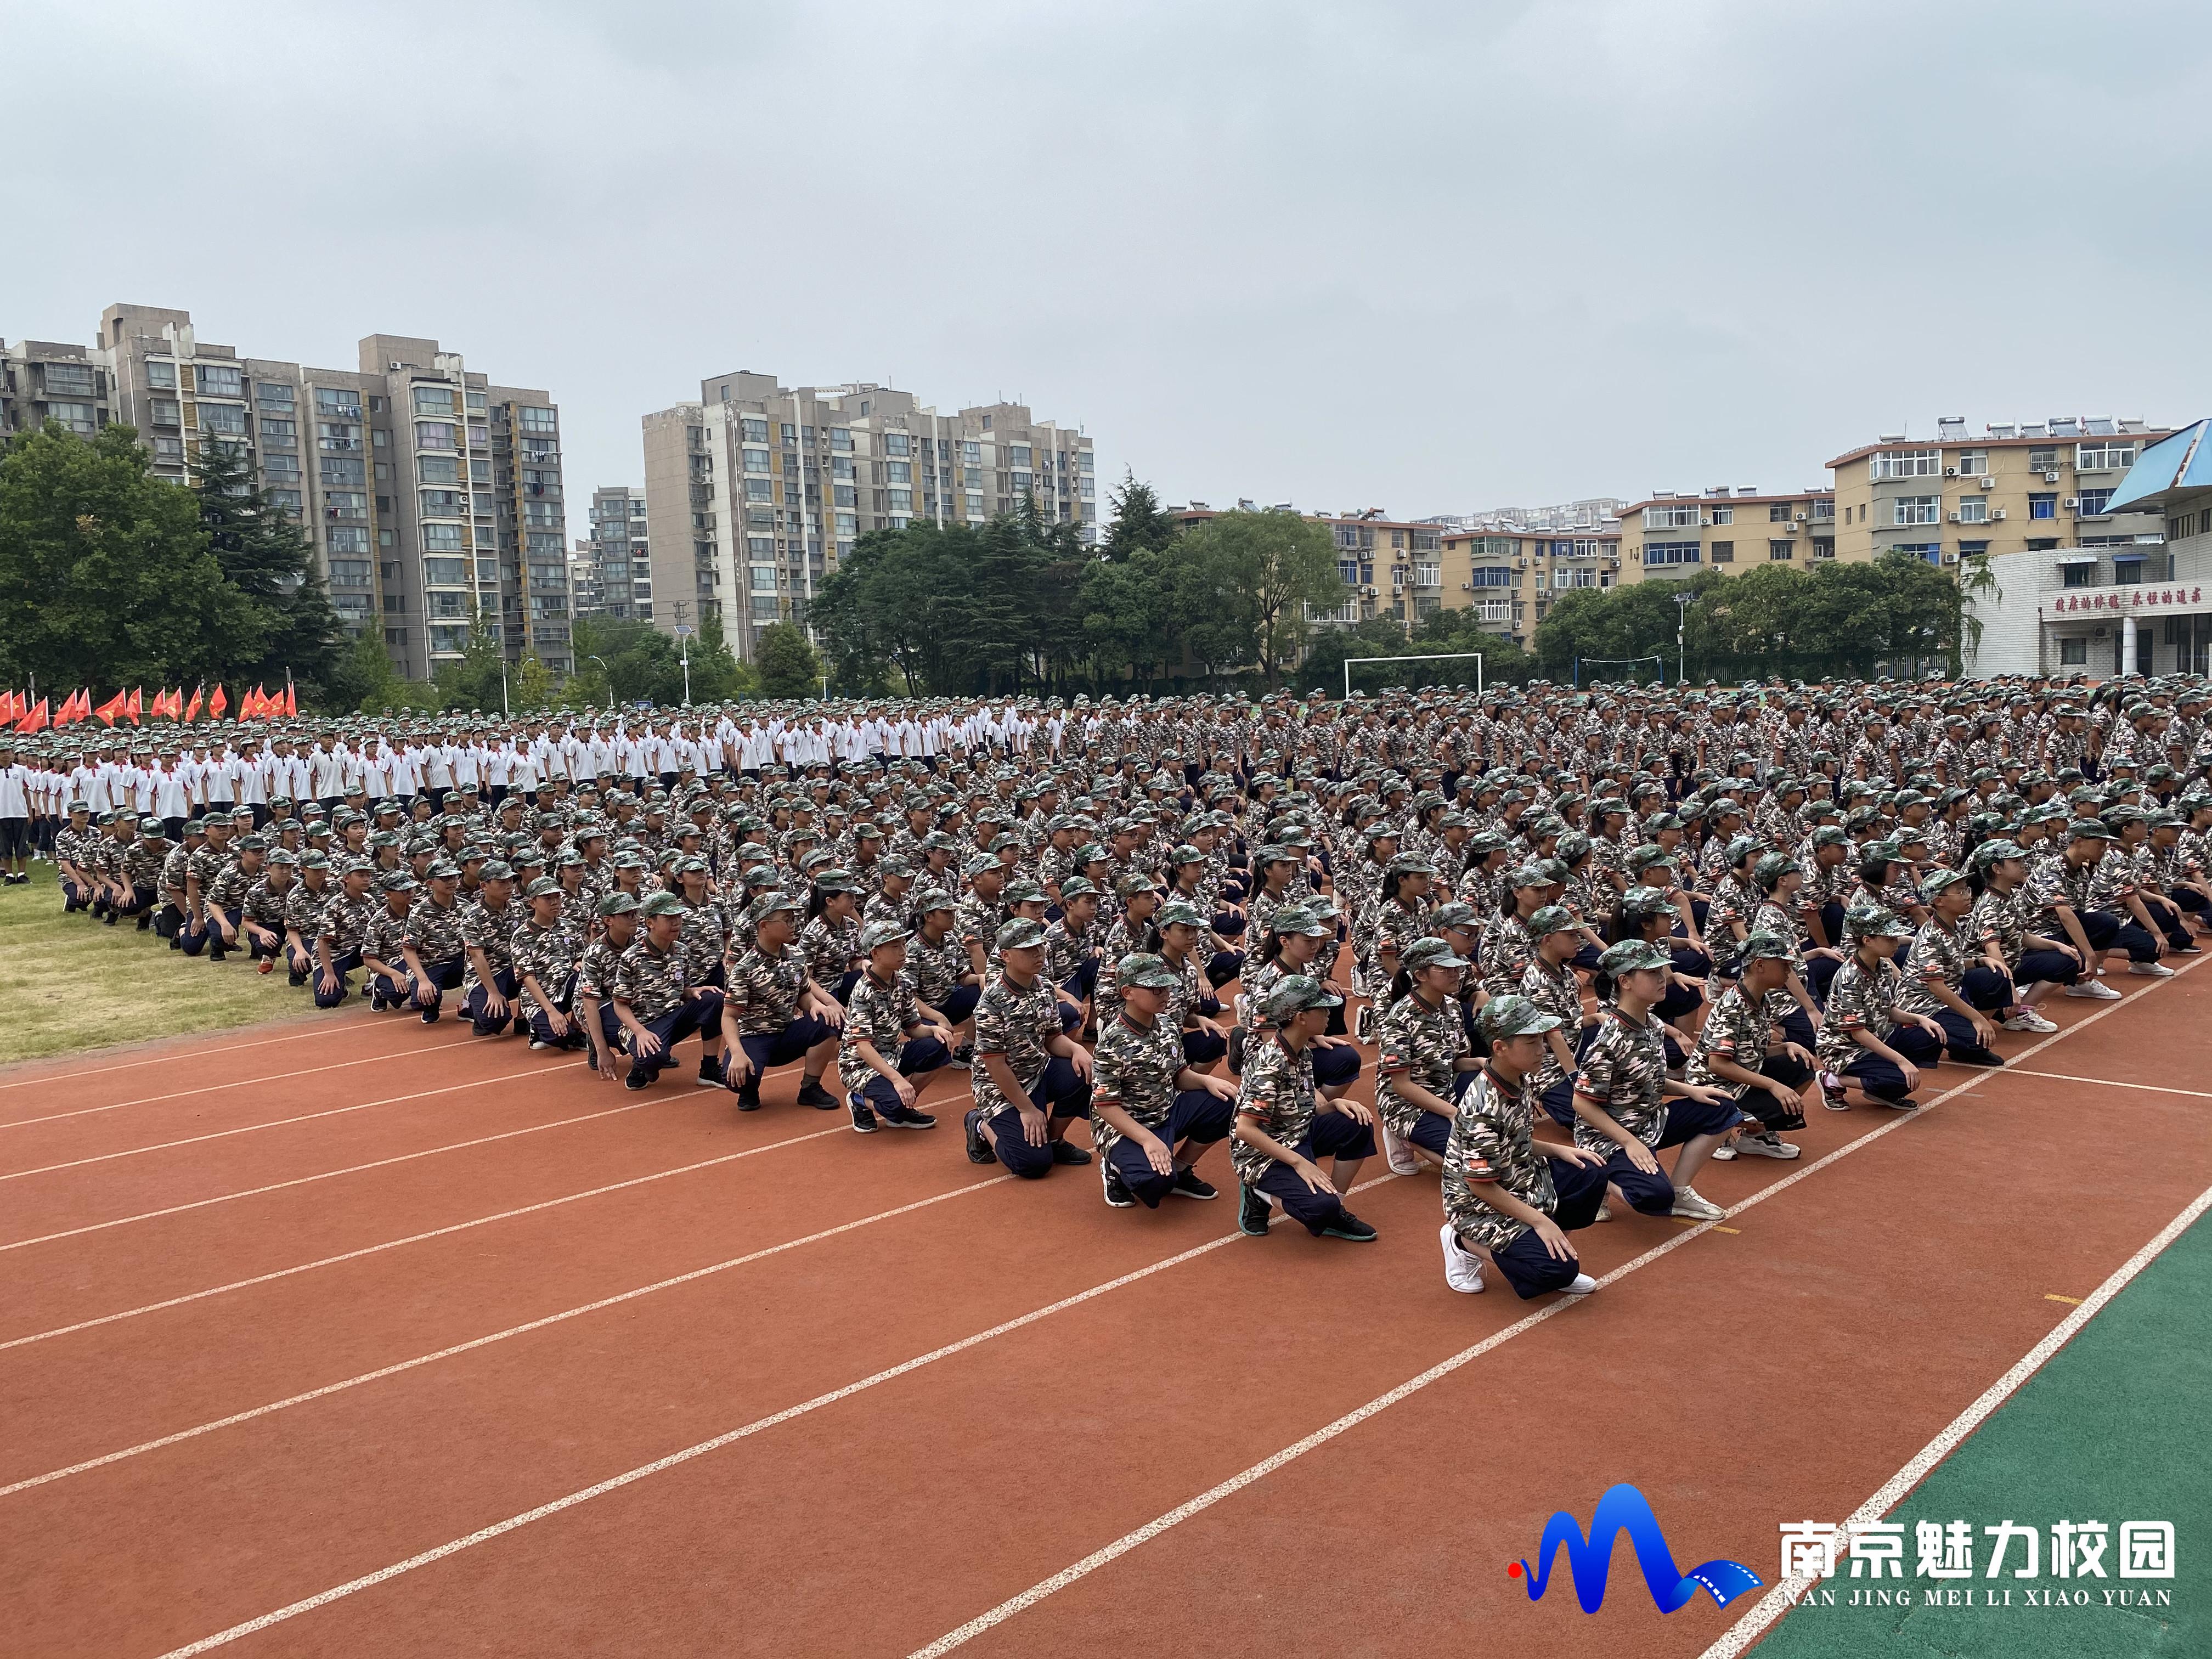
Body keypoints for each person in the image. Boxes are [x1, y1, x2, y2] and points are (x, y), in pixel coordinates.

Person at [1439, 994, 1609, 1297]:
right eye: (1531, 1042)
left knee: (1590, 1169)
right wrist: (1540, 1221)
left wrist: (1559, 1150)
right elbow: (1480, 1187)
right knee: (1557, 1272)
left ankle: (1552, 1245)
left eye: (1542, 1040)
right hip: (1479, 1205)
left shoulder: (1517, 1076)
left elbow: (1517, 1141)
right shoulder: (1483, 1107)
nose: (1542, 1050)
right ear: (1500, 1048)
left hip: (1520, 1178)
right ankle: (1462, 1243)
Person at [1570, 939, 1742, 1223]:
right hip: (1610, 1138)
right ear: (1625, 981)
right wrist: (1629, 1143)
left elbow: (1650, 1078)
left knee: (1721, 1106)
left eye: (1661, 972)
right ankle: (1595, 1176)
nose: (1662, 980)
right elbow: (1581, 1103)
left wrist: (1691, 1090)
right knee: (1654, 1198)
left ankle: (1682, 1189)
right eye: (1652, 973)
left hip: (1649, 1122)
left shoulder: (1651, 1023)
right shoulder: (1609, 1040)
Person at [1231, 974, 1379, 1242]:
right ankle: (1256, 1192)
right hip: (1261, 1154)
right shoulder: (1271, 1064)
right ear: (1300, 1017)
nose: (1328, 1013)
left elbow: (1298, 1108)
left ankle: (1336, 1208)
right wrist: (1300, 1163)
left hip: (1298, 1134)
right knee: (1320, 1208)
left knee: (1358, 1123)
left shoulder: (1302, 1051)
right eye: (1322, 1008)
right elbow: (1245, 1129)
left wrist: (1334, 1104)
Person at [1089, 952, 1240, 1207]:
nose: (1165, 994)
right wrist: (1147, 1139)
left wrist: (1206, 1082)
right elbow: (1106, 1106)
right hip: (1126, 1126)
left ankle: (1181, 1169)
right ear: (1128, 992)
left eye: (1166, 987)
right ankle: (1114, 1166)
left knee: (1226, 1101)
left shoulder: (1167, 1025)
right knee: (1156, 1183)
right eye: (1155, 989)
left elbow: (1179, 1075)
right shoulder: (1112, 1041)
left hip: (1165, 1112)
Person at [963, 917, 1097, 1177]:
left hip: (1038, 1071)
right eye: (1028, 950)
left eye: (1039, 947)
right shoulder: (991, 1002)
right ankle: (979, 1124)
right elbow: (995, 1065)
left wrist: (1076, 1050)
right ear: (1006, 956)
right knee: (1032, 1165)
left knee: (1086, 1072)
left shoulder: (1044, 988)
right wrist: (1026, 1108)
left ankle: (1054, 1139)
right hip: (1000, 1086)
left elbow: (1052, 1038)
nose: (1038, 954)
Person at [1683, 932, 1810, 1161]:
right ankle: (1714, 1127)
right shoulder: (1733, 1006)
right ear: (1760, 965)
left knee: (1801, 1064)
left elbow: (1753, 1052)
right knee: (1779, 1099)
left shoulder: (1762, 999)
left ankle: (1755, 1135)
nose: (1789, 971)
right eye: (1783, 964)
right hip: (1716, 1085)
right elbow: (1718, 1064)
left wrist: (1787, 1046)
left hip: (1741, 1079)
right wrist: (1773, 1086)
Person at [1815, 905, 1948, 1110]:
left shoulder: (1882, 966)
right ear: (1867, 941)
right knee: (1903, 1079)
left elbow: (1887, 1010)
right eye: (1890, 939)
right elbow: (1857, 1033)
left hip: (1879, 1036)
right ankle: (1833, 1080)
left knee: (1933, 1035)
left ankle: (1883, 1083)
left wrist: (1919, 1019)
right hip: (1846, 1049)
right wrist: (1901, 1061)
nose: (1896, 944)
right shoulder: (1850, 977)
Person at [721, 891, 845, 1109]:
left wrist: (816, 1005)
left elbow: (804, 993)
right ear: (764, 926)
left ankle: (810, 1088)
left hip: (787, 1033)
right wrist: (738, 1053)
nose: (793, 924)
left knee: (830, 1021)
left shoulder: (796, 955)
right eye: (786, 920)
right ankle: (749, 1090)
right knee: (738, 1079)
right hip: (755, 1037)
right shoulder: (744, 969)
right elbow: (729, 1017)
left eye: (794, 918)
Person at [1374, 935, 1482, 1175]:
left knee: (1489, 1143)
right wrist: (1452, 1112)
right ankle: (1405, 1137)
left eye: (1455, 967)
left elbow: (1456, 1062)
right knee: (1468, 1160)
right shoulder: (1399, 1019)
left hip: (1445, 1091)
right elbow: (1401, 1086)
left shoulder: (1452, 1009)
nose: (1455, 973)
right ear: (1421, 976)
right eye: (1445, 969)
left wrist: (1482, 1063)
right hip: (1406, 1104)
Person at [836, 918, 953, 1132]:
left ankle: (903, 1106)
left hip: (892, 1054)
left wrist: (934, 1030)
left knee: (940, 1046)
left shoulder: (903, 983)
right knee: (893, 1104)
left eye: (903, 945)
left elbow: (913, 1028)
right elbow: (862, 1047)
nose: (902, 951)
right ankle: (859, 1100)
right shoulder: (864, 991)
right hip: (861, 1065)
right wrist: (898, 1080)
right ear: (875, 953)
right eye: (894, 947)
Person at [614, 890, 729, 1091]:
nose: (676, 923)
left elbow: (681, 990)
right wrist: (640, 1032)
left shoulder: (682, 951)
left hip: (674, 1016)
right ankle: (642, 1067)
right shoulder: (631, 957)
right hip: (645, 1025)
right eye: (669, 918)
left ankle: (709, 1069)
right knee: (652, 1058)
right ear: (650, 923)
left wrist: (694, 991)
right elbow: (620, 1005)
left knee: (715, 998)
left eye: (678, 917)